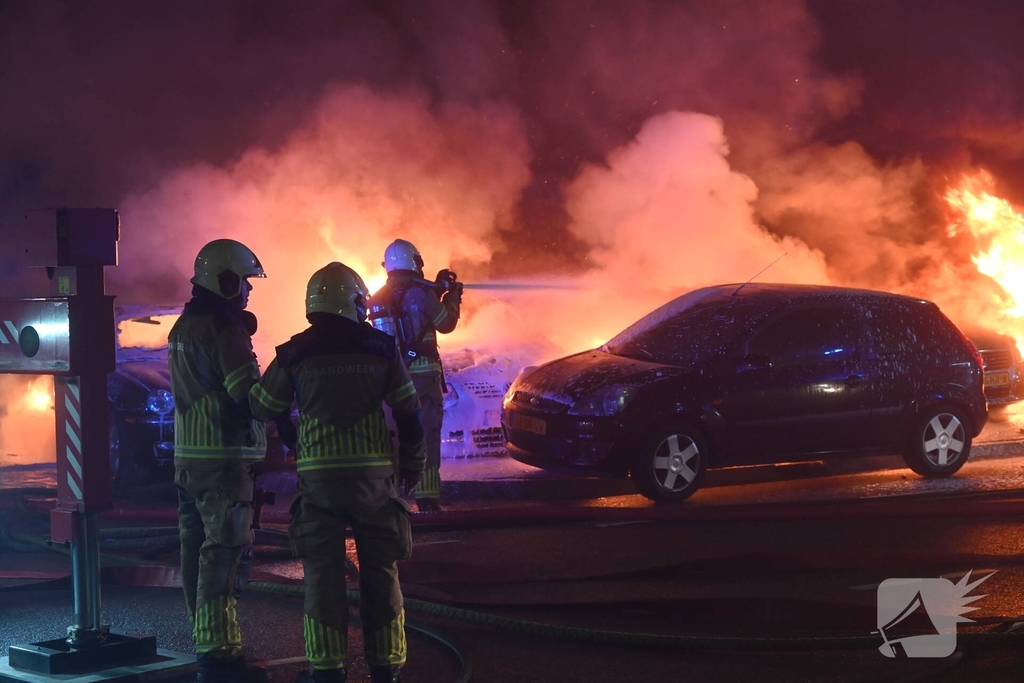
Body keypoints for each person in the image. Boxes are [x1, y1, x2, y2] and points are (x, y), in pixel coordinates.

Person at [249, 261, 425, 683]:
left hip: (319, 484)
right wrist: (414, 466)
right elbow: (409, 412)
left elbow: (261, 407)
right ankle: (386, 669)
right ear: (354, 302)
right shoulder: (382, 348)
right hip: (374, 484)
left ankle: (327, 671)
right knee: (381, 576)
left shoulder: (294, 352)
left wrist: (292, 427)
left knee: (323, 580)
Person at [168, 238, 270, 683]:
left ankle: (204, 639)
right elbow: (247, 396)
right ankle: (220, 658)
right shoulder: (225, 330)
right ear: (225, 280)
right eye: (244, 282)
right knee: (224, 555)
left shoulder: (182, 327)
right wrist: (281, 395)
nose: (248, 291)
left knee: (196, 552)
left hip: (188, 458)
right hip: (224, 461)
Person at [368, 239, 460, 512]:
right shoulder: (421, 293)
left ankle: (391, 497)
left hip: (391, 380)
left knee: (393, 436)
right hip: (422, 378)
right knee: (427, 434)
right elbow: (446, 323)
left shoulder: (380, 296)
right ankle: (427, 497)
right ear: (415, 261)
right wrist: (454, 297)